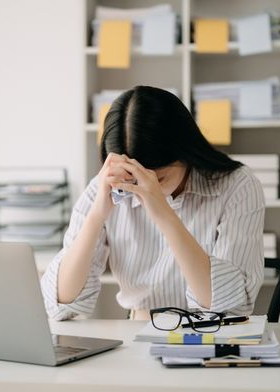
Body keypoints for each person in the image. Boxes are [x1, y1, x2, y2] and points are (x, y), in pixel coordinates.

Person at [41, 86, 265, 321]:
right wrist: (97, 215)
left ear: (185, 152)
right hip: (138, 329)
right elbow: (61, 304)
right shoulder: (107, 186)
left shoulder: (238, 185)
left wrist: (163, 214)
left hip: (210, 333)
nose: (143, 190)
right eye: (133, 179)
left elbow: (227, 306)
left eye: (158, 179)